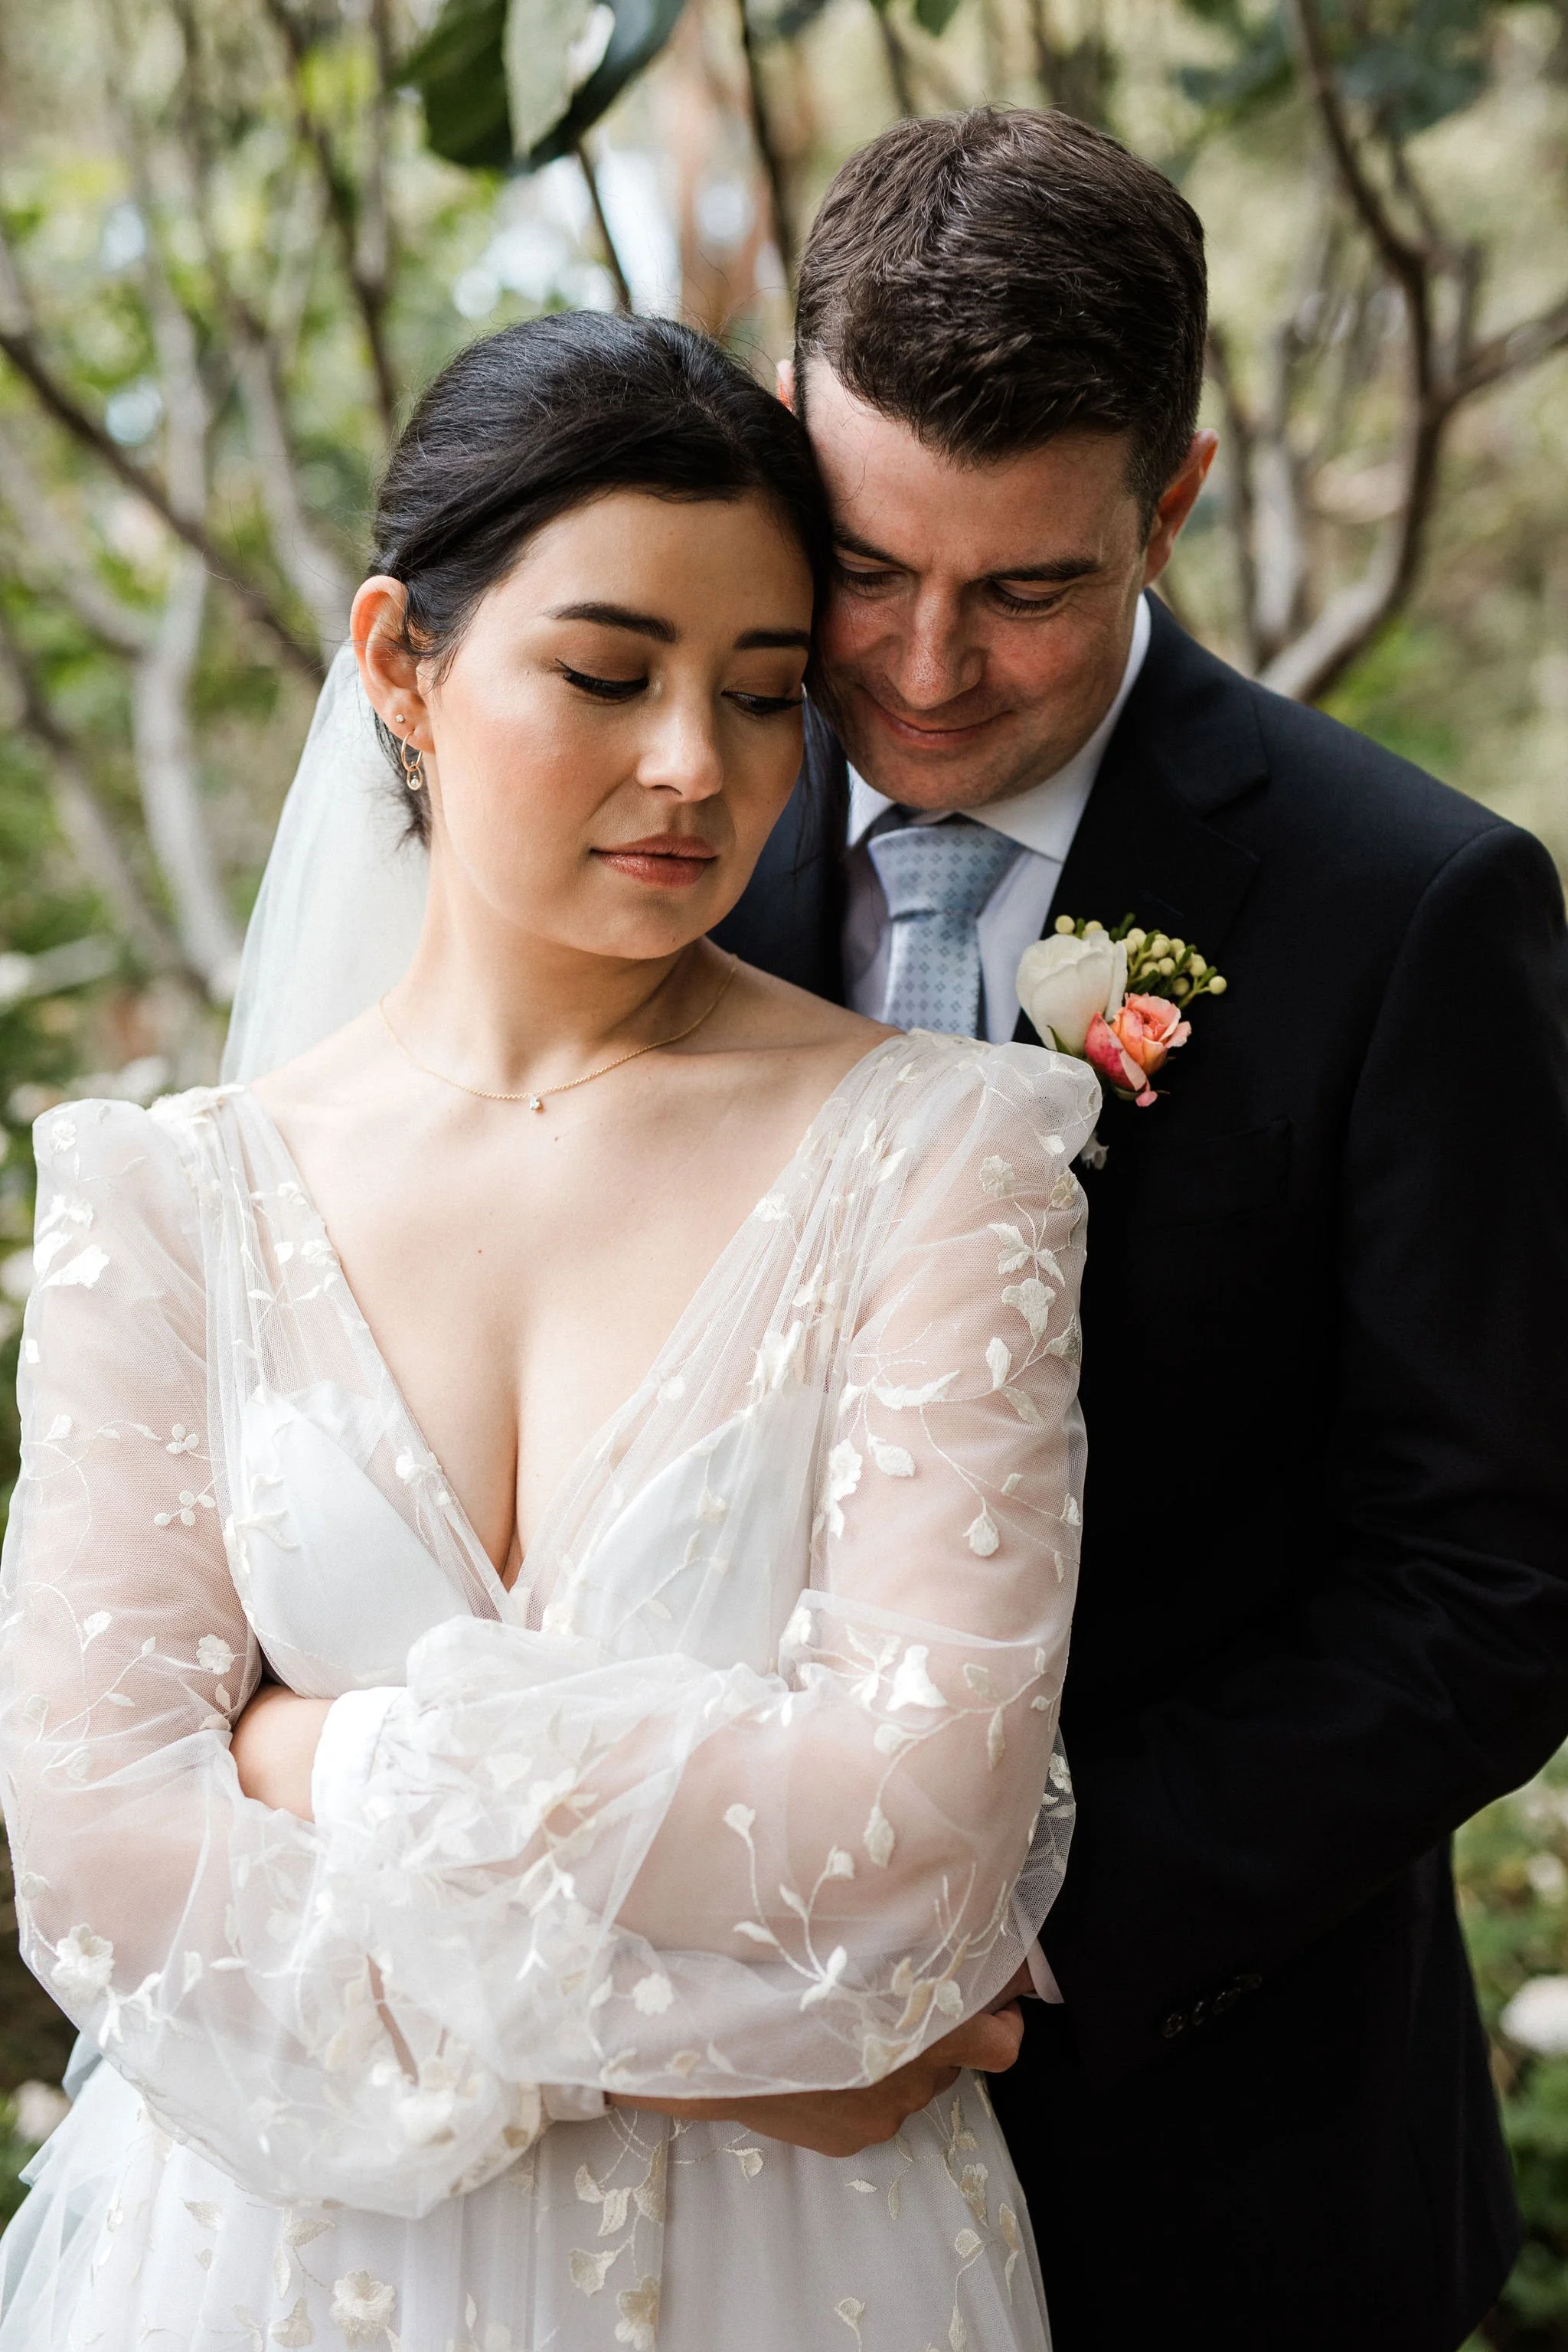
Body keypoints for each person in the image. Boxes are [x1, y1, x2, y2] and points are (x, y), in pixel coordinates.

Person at [0, 312, 1098, 2351]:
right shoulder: (167, 1204)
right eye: (608, 674)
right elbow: (100, 1864)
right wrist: (698, 2054)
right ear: (402, 662)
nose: (697, 767)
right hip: (261, 2256)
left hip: (793, 2279)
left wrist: (328, 1758)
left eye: (765, 698)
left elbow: (919, 1834)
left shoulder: (948, 1156)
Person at [710, 104, 1568, 2352]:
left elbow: (1494, 1577)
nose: (918, 666)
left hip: (1216, 2159)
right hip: (703, 2164)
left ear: (1170, 503)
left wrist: (1021, 1929)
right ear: (792, 432)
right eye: (867, 564)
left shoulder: (1417, 915)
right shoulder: (660, 819)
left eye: (1028, 588)